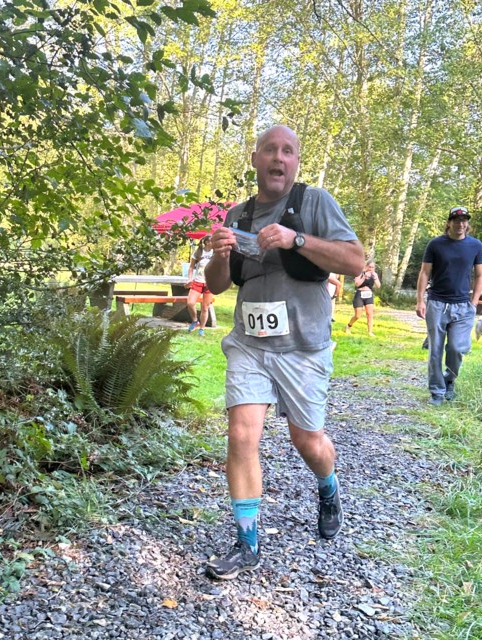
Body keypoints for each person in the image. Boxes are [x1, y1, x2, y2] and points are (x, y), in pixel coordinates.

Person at [202, 125, 365, 580]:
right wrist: (217, 255)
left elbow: (355, 262)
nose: (279, 158)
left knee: (307, 441)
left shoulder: (315, 203)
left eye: (288, 151)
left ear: (296, 163)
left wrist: (297, 240)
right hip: (250, 344)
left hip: (303, 348)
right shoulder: (238, 213)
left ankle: (328, 486)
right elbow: (217, 284)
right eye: (270, 150)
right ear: (255, 159)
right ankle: (246, 541)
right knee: (240, 434)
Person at [415, 205, 482, 406]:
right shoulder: (436, 244)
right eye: (456, 220)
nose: (460, 224)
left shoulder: (475, 246)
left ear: (467, 223)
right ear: (449, 223)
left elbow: (479, 275)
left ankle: (449, 379)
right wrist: (420, 300)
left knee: (456, 348)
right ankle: (437, 391)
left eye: (464, 220)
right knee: (435, 349)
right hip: (437, 303)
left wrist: (474, 303)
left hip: (463, 306)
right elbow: (425, 273)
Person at [186, 236, 214, 336]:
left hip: (209, 283)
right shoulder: (198, 253)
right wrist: (189, 279)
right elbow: (191, 268)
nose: (214, 242)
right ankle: (195, 321)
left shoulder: (215, 253)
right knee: (190, 303)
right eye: (212, 241)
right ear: (206, 242)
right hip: (198, 281)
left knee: (205, 308)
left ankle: (202, 329)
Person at [344, 261, 377, 336]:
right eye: (370, 267)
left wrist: (375, 277)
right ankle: (348, 326)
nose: (371, 269)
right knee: (357, 315)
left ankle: (370, 332)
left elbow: (378, 285)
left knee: (370, 314)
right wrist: (364, 277)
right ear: (366, 267)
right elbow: (357, 284)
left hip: (369, 295)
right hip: (360, 294)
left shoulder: (374, 275)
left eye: (372, 267)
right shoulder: (360, 273)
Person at [326, 272, 342, 351]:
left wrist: (335, 295)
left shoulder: (326, 273)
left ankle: (328, 342)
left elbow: (338, 284)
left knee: (325, 319)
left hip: (327, 297)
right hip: (326, 296)